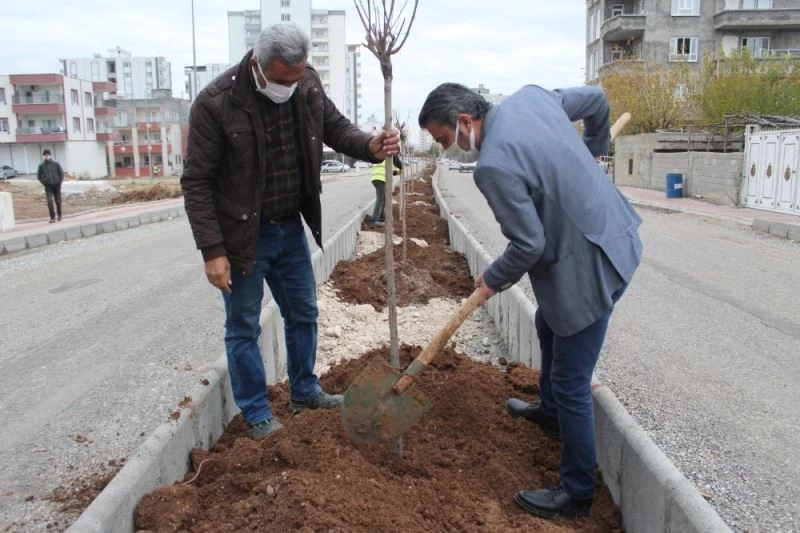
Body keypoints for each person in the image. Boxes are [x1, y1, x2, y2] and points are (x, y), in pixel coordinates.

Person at [418, 83, 642, 519]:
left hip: (590, 266)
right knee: (545, 323)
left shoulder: (493, 166)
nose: (447, 151)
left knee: (573, 380)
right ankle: (552, 413)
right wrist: (595, 146)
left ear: (465, 122)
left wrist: (491, 280)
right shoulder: (532, 98)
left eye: (444, 140)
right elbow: (596, 101)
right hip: (617, 236)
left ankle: (576, 493)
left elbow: (529, 245)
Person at [181, 23, 399, 441]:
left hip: (290, 227)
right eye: (283, 80)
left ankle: (304, 390)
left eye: (297, 78)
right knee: (244, 326)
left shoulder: (307, 83)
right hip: (244, 239)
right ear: (258, 65)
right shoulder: (216, 104)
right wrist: (212, 250)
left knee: (303, 313)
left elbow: (336, 128)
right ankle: (258, 413)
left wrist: (369, 144)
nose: (290, 87)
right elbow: (197, 182)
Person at [369, 154, 403, 227]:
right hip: (381, 179)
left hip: (376, 178)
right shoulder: (392, 154)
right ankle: (374, 220)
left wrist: (397, 173)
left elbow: (390, 171)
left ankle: (381, 217)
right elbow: (398, 163)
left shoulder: (383, 156)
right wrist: (402, 168)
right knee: (380, 200)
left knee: (384, 199)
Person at [37, 149, 64, 223]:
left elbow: (61, 173)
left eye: (48, 155)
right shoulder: (41, 166)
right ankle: (52, 217)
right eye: (45, 155)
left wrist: (60, 181)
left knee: (58, 201)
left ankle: (59, 215)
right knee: (50, 201)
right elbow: (39, 176)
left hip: (57, 185)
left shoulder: (56, 164)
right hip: (48, 186)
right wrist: (44, 182)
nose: (47, 156)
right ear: (43, 156)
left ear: (50, 155)